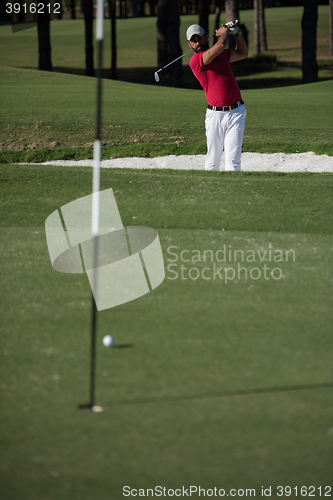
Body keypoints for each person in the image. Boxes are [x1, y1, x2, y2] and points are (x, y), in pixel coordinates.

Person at [186, 23, 248, 171]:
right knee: (212, 161)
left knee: (233, 160)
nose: (197, 43)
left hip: (236, 112)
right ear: (189, 44)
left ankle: (232, 194)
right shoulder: (195, 61)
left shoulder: (223, 55)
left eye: (200, 38)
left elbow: (243, 53)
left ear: (206, 37)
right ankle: (210, 193)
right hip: (215, 116)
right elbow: (219, 46)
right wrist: (225, 32)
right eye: (193, 41)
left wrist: (237, 33)